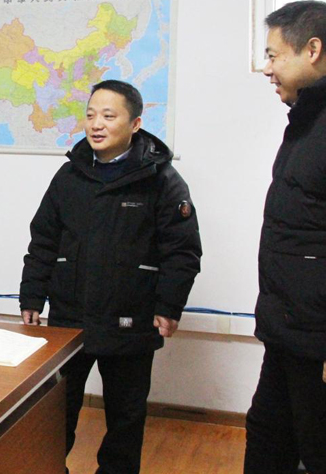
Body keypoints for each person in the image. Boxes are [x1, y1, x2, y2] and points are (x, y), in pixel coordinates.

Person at [20, 80, 202, 474]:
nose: (96, 124)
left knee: (125, 419)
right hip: (70, 319)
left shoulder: (161, 180)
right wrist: (32, 297)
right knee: (54, 415)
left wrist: (169, 306)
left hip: (131, 320)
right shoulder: (69, 176)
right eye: (90, 115)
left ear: (135, 124)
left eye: (108, 115)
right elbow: (44, 241)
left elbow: (182, 252)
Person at [244, 0, 326, 473]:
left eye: (273, 55)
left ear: (312, 50)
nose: (266, 68)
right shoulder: (313, 116)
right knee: (267, 440)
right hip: (291, 333)